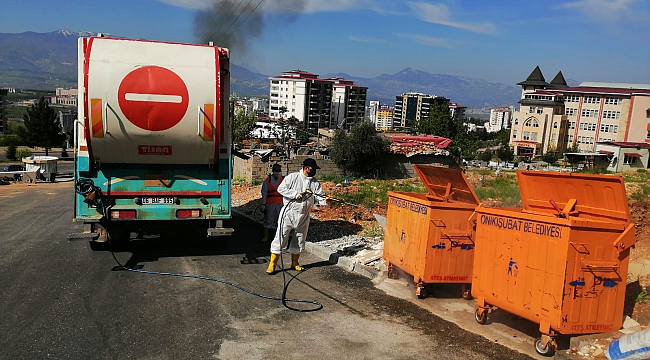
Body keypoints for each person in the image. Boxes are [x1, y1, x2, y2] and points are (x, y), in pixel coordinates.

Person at [266, 158, 327, 275]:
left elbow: (319, 196)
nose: (314, 171)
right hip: (289, 212)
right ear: (307, 168)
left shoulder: (315, 182)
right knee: (281, 236)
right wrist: (295, 194)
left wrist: (324, 200)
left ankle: (295, 263)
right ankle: (272, 264)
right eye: (313, 169)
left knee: (300, 238)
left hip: (304, 214)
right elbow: (281, 189)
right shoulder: (293, 177)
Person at [260, 163, 284, 242]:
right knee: (268, 220)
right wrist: (263, 204)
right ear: (273, 171)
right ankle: (265, 237)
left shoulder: (284, 180)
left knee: (280, 220)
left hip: (280, 204)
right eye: (276, 170)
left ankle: (278, 238)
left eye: (279, 170)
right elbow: (264, 192)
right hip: (270, 204)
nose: (277, 172)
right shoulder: (268, 180)